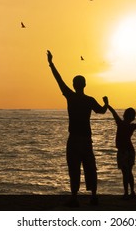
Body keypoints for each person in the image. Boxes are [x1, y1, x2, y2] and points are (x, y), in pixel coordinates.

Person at [46, 50, 109, 207]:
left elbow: (59, 80)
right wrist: (107, 103)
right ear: (84, 85)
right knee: (90, 168)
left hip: (74, 138)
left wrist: (51, 63)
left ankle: (74, 197)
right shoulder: (89, 100)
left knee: (74, 168)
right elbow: (101, 111)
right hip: (86, 139)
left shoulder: (71, 96)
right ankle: (93, 196)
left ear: (74, 85)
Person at [107, 104, 136, 199]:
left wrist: (107, 104)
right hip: (130, 151)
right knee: (129, 172)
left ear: (124, 115)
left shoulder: (120, 123)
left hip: (123, 151)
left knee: (125, 173)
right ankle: (132, 191)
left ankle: (126, 193)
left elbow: (113, 112)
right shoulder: (132, 126)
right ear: (133, 118)